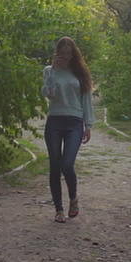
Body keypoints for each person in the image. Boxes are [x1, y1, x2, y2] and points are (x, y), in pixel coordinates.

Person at [41, 36, 94, 222]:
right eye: (61, 53)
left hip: (74, 123)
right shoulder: (49, 71)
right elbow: (49, 94)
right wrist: (54, 72)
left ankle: (73, 197)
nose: (65, 56)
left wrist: (88, 125)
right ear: (57, 53)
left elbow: (87, 99)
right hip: (54, 121)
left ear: (73, 54)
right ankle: (58, 210)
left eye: (68, 53)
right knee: (55, 166)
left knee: (67, 164)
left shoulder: (80, 73)